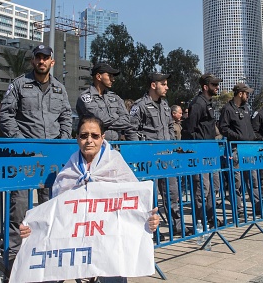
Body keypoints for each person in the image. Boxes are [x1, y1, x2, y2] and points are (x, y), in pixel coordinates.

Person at [19, 115, 160, 283]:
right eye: (84, 135)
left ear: (102, 138)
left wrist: (148, 220)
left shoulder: (115, 164)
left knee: (114, 271)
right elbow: (54, 213)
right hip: (73, 242)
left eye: (94, 136)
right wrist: (33, 228)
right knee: (47, 271)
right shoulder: (69, 171)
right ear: (77, 138)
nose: (89, 140)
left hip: (109, 239)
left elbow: (135, 203)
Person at [0, 44, 72, 267]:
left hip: (50, 159)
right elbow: (6, 114)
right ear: (33, 61)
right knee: (18, 208)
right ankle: (14, 258)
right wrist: (21, 142)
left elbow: (66, 116)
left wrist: (62, 141)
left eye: (45, 58)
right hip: (24, 157)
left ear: (52, 62)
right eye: (38, 57)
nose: (41, 61)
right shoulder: (19, 85)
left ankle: (45, 254)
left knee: (49, 207)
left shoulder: (60, 89)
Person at [130, 72, 183, 235]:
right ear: (154, 85)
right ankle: (150, 230)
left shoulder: (165, 105)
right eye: (164, 84)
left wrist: (172, 145)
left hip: (166, 158)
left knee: (172, 194)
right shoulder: (140, 105)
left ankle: (178, 226)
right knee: (149, 196)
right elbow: (132, 130)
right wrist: (141, 153)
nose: (167, 87)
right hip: (149, 159)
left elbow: (169, 127)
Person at [182, 73, 222, 228]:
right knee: (202, 188)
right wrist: (196, 152)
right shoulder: (198, 103)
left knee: (215, 186)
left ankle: (211, 218)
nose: (217, 87)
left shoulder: (208, 103)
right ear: (205, 87)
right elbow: (190, 129)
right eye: (214, 85)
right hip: (201, 152)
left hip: (210, 151)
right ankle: (201, 221)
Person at [76, 62, 138, 141]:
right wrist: (117, 117)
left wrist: (106, 124)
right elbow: (100, 120)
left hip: (115, 146)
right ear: (99, 76)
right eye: (110, 76)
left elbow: (126, 120)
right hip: (94, 146)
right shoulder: (85, 97)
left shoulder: (115, 97)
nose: (113, 79)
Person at [218, 83, 256, 211]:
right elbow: (223, 128)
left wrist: (251, 138)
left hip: (248, 149)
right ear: (240, 94)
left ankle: (257, 206)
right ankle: (238, 209)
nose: (248, 96)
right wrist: (239, 137)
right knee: (236, 182)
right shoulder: (227, 109)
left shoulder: (246, 109)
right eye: (247, 93)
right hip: (235, 149)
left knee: (252, 179)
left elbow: (249, 127)